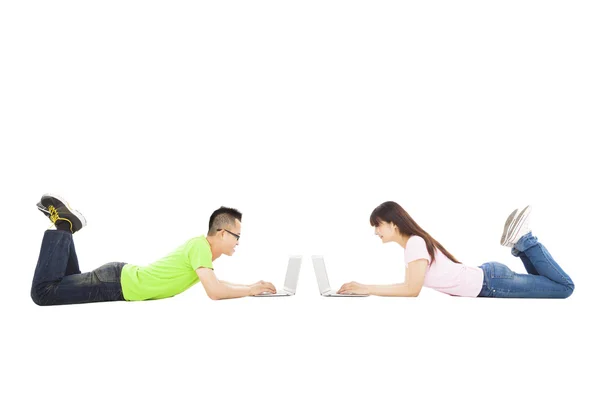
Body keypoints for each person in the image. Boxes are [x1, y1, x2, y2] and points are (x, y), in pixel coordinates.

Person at [31, 194, 276, 306]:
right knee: (43, 293)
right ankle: (64, 225)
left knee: (62, 282)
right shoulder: (200, 246)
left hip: (117, 279)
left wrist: (250, 287)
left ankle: (67, 227)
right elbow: (214, 291)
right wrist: (251, 290)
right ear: (222, 232)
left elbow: (217, 283)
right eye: (237, 236)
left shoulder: (200, 250)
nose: (238, 242)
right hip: (117, 284)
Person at [337, 201, 575, 298]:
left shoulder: (415, 244)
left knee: (564, 288)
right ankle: (520, 244)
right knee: (545, 284)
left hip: (491, 283)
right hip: (489, 278)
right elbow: (409, 286)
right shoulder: (414, 245)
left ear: (393, 223)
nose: (376, 232)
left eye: (377, 226)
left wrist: (365, 288)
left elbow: (412, 290)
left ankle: (526, 240)